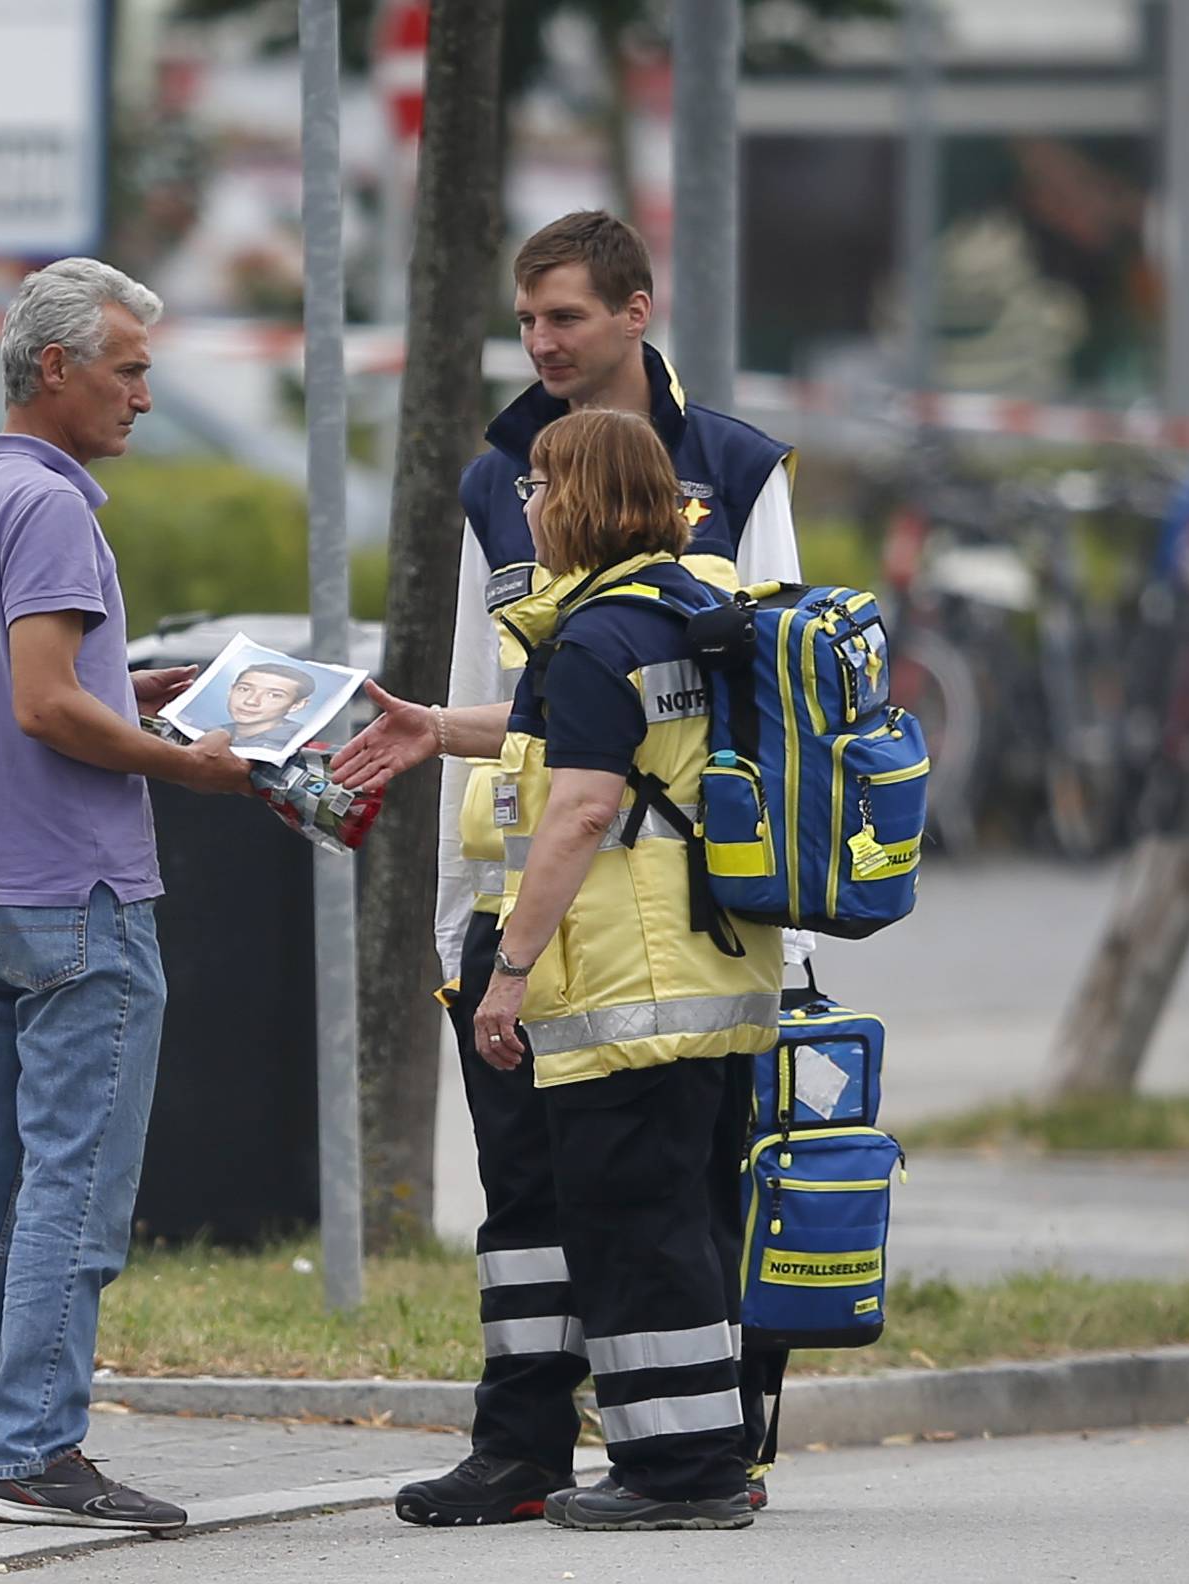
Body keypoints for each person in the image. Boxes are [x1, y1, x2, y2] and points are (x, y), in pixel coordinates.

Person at [410, 209, 805, 1528]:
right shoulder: (501, 479)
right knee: (549, 1198)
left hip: (633, 940)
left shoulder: (736, 472)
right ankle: (533, 1444)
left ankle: (695, 1457)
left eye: (563, 316)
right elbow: (502, 708)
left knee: (661, 1203)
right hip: (561, 927)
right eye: (525, 321)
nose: (540, 345)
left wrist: (784, 931)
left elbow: (765, 730)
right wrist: (467, 917)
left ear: (636, 310)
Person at [333, 408, 782, 1531]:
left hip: (623, 982)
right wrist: (436, 726)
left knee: (633, 1223)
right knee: (678, 1213)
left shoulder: (594, 637)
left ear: (581, 497)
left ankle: (679, 1477)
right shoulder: (681, 610)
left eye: (540, 485)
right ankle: (700, 1453)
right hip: (708, 978)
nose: (526, 505)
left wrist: (509, 969)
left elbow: (581, 805)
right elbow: (557, 734)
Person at [0, 259, 252, 1533]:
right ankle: (35, 1455)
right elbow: (40, 702)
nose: (144, 394)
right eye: (128, 370)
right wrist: (187, 761)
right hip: (75, 894)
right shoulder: (55, 510)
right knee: (73, 1190)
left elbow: (15, 690)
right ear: (56, 370)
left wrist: (122, 695)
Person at [207, 661, 316, 751]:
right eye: (244, 689)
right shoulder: (209, 733)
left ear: (297, 705)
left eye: (274, 695)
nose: (251, 701)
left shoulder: (304, 746)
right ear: (230, 690)